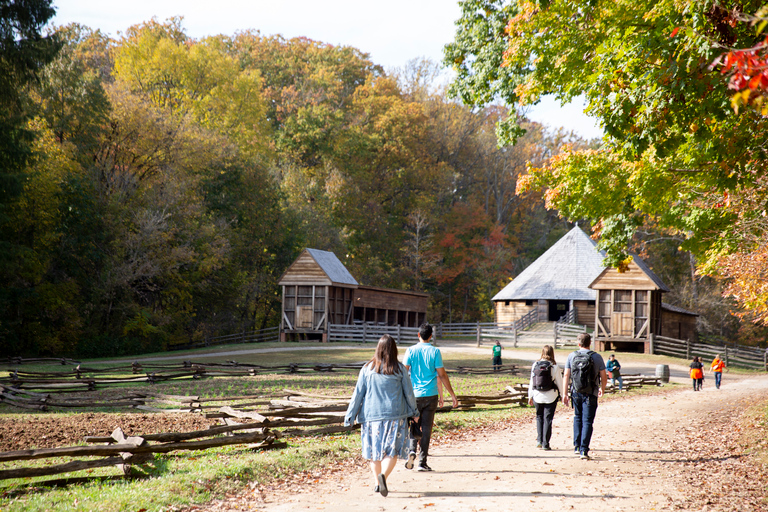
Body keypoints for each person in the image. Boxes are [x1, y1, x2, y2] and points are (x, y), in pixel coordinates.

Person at [344, 334, 419, 497]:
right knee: (391, 452)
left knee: (374, 452)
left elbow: (358, 394)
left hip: (371, 418)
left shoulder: (367, 368)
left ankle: (378, 484)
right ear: (394, 350)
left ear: (378, 348)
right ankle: (383, 477)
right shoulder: (399, 369)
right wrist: (415, 412)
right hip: (395, 417)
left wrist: (350, 416)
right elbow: (409, 394)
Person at [403, 322, 459, 472]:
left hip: (414, 395)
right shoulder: (435, 352)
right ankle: (422, 462)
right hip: (431, 395)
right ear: (431, 337)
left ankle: (411, 450)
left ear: (418, 335)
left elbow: (403, 373)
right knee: (427, 428)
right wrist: (452, 395)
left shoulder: (410, 351)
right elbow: (442, 375)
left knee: (414, 424)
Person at [563, 332, 606, 460]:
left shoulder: (572, 356)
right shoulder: (597, 357)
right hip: (591, 393)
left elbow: (566, 375)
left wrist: (565, 393)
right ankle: (584, 450)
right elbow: (604, 377)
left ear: (578, 343)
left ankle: (576, 446)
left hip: (576, 392)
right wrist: (602, 389)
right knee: (587, 421)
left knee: (577, 417)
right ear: (590, 343)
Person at [527, 345, 564, 450]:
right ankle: (545, 444)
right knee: (548, 419)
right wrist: (562, 395)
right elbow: (559, 383)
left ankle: (539, 440)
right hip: (551, 396)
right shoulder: (554, 366)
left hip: (537, 395)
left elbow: (531, 381)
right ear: (552, 353)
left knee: (539, 417)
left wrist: (530, 396)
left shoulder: (535, 365)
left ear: (542, 352)